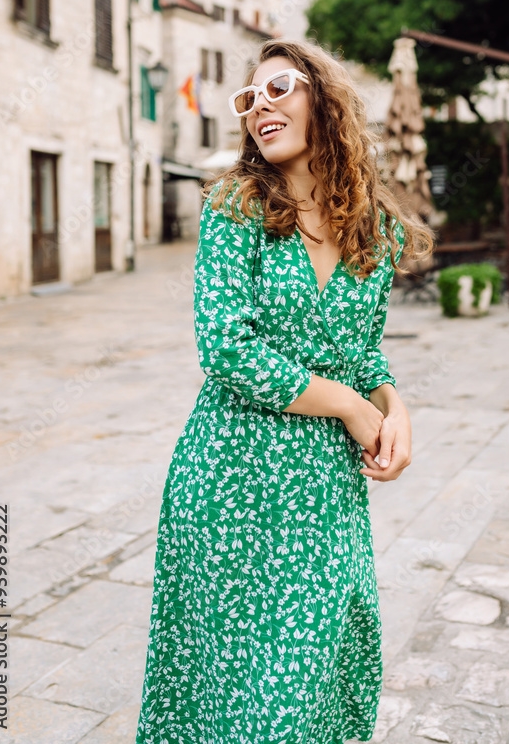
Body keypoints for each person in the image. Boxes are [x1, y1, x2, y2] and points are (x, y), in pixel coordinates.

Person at [135, 39, 434, 744]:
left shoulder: (377, 229)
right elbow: (226, 348)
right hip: (231, 483)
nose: (259, 106)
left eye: (278, 88)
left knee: (321, 673)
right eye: (248, 99)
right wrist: (353, 407)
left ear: (323, 100)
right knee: (234, 695)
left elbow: (364, 351)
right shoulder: (235, 205)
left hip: (325, 490)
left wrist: (396, 409)